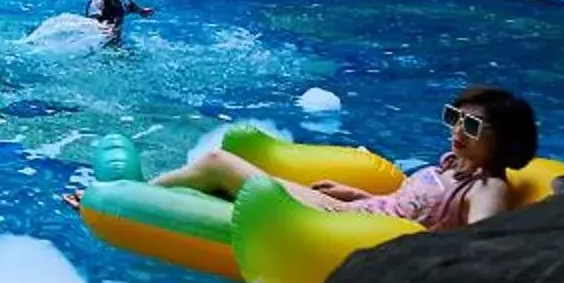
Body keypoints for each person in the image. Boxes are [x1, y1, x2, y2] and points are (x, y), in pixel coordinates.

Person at [150, 87, 534, 229]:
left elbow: (484, 243)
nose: (456, 131)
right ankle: (156, 191)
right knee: (221, 176)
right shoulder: (452, 165)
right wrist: (355, 194)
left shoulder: (488, 187)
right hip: (350, 212)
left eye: (471, 125)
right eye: (454, 117)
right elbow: (408, 204)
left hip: (344, 229)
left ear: (504, 139)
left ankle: (136, 192)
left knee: (219, 163)